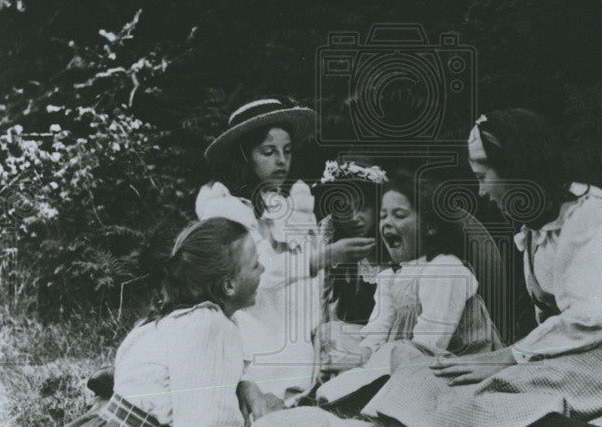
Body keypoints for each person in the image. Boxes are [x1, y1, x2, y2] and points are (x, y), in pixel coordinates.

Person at [362, 109, 602, 427]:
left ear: (518, 168)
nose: (482, 191)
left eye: (484, 177)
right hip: (586, 346)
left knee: (484, 398)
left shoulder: (592, 216)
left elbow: (588, 320)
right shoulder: (535, 230)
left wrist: (509, 357)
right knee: (433, 380)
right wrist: (515, 359)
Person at [3, 218, 271, 427]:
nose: (263, 271)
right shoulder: (210, 328)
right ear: (229, 285)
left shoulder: (175, 319)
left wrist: (244, 386)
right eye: (255, 265)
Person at [196, 98, 376, 405]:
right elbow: (256, 273)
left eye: (287, 150)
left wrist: (318, 327)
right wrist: (323, 258)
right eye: (268, 152)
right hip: (252, 330)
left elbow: (309, 288)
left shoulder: (285, 208)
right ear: (244, 156)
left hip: (292, 332)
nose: (281, 160)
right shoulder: (226, 211)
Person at [318, 169, 502, 380]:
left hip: (450, 363)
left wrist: (371, 366)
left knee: (394, 353)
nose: (386, 223)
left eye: (399, 215)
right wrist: (359, 358)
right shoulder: (390, 277)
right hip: (407, 358)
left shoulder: (445, 269)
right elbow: (377, 331)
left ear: (430, 226)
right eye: (382, 216)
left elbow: (431, 344)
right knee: (331, 333)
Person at [313, 158, 389, 326]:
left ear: (377, 207)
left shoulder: (393, 247)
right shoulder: (328, 244)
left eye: (363, 207)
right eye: (344, 209)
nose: (354, 218)